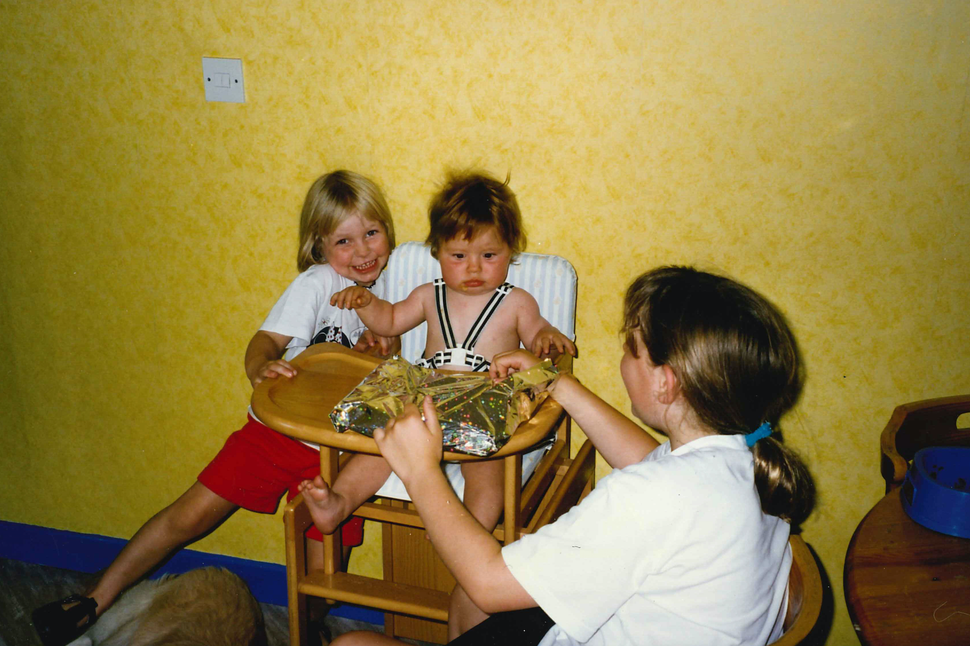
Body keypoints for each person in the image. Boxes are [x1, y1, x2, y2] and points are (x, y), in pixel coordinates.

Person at [332, 265, 816, 646]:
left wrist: (419, 470)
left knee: (352, 643)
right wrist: (559, 384)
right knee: (469, 608)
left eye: (632, 349)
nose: (623, 357)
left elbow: (488, 582)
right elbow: (651, 460)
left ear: (666, 382)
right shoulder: (737, 459)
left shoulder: (651, 499)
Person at [32, 170, 398, 646]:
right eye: (345, 240)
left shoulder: (402, 289)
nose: (363, 251)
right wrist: (261, 366)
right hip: (276, 436)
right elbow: (266, 339)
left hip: (339, 454)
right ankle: (94, 600)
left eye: (372, 233)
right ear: (319, 245)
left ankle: (310, 627)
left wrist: (376, 353)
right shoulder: (318, 283)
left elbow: (391, 364)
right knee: (190, 516)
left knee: (322, 579)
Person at [298, 171, 576, 639]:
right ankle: (338, 503)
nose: (473, 269)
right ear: (437, 254)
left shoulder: (517, 302)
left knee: (486, 465)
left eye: (490, 256)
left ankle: (465, 528)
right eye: (458, 256)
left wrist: (548, 337)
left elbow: (539, 341)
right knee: (378, 440)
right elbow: (390, 319)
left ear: (511, 252)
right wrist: (366, 302)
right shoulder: (429, 296)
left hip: (484, 400)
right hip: (425, 396)